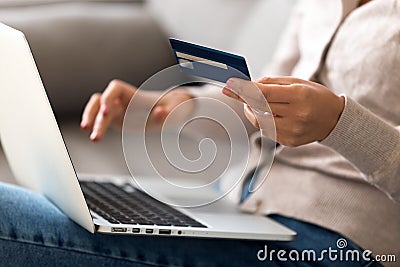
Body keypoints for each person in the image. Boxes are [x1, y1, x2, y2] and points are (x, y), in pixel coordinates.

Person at [0, 0, 398, 266]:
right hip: (240, 211)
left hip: (339, 245)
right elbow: (261, 100)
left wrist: (340, 124)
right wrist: (169, 106)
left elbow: (329, 118)